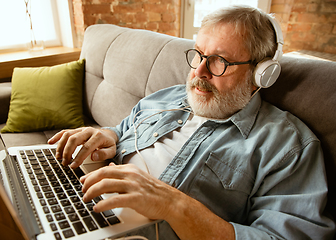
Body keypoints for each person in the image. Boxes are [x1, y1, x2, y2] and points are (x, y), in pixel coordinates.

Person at [48, 6, 335, 240]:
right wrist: (107, 137)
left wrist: (173, 204)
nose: (199, 71)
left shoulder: (287, 146)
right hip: (87, 203)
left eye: (219, 61)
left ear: (261, 75)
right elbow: (123, 129)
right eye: (199, 54)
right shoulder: (169, 96)